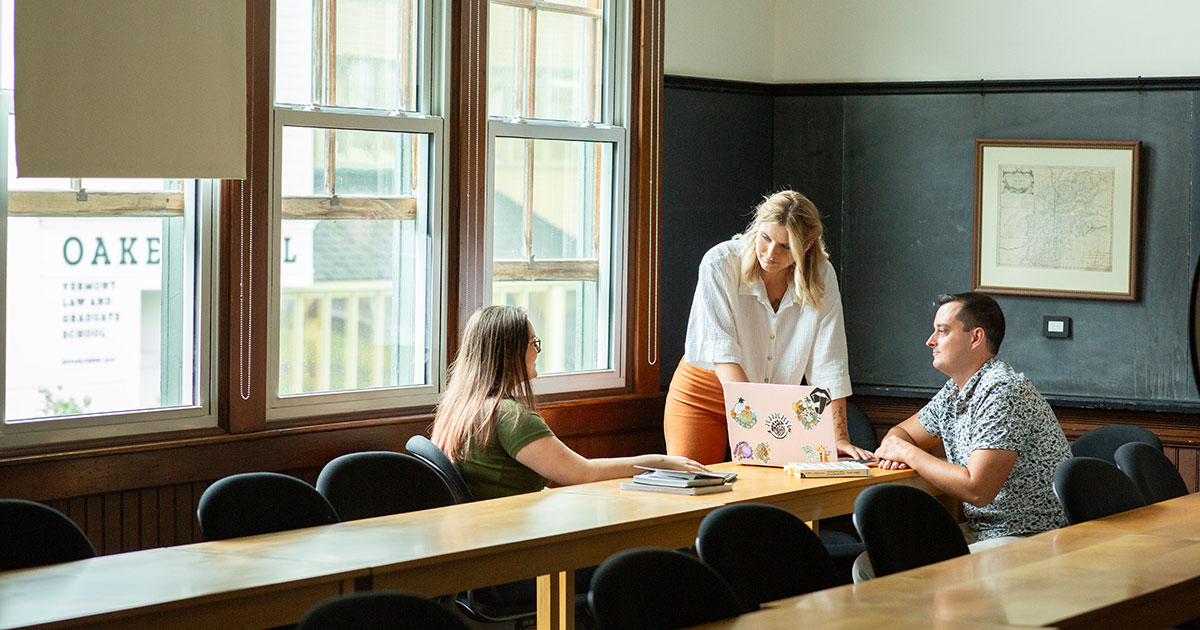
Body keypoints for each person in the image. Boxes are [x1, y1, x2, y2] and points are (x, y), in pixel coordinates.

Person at [854, 292, 1070, 581]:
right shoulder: (955, 391)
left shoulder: (1003, 390)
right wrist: (900, 448)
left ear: (975, 337)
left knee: (904, 567)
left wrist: (907, 454)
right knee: (869, 564)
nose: (930, 341)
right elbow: (900, 434)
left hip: (1031, 537)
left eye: (942, 331)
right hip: (985, 531)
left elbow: (977, 489)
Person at [664, 190, 874, 464]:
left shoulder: (822, 275)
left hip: (772, 401)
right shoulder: (720, 263)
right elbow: (723, 355)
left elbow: (829, 363)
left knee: (765, 492)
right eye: (765, 238)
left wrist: (839, 438)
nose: (770, 253)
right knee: (695, 486)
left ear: (808, 246)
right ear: (757, 227)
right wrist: (759, 422)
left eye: (786, 247)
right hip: (706, 392)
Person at [432, 305, 707, 501]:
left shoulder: (463, 408)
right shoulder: (509, 417)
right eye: (533, 343)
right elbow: (581, 473)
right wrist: (661, 461)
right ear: (512, 353)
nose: (537, 350)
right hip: (517, 546)